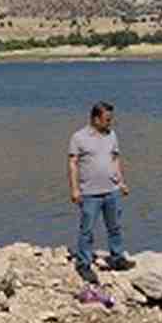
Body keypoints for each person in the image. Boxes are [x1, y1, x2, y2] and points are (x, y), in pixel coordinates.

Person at [67, 100, 134, 285]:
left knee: (115, 227)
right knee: (87, 230)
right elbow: (72, 164)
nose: (110, 123)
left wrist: (121, 182)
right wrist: (74, 189)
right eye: (106, 119)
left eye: (111, 119)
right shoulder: (78, 137)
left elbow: (115, 159)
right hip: (89, 193)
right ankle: (84, 264)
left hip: (111, 190)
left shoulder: (111, 135)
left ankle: (117, 258)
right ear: (95, 118)